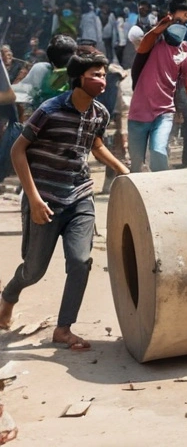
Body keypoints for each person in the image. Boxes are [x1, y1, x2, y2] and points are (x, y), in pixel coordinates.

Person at [0, 51, 129, 351]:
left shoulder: (100, 113)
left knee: (81, 261)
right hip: (43, 199)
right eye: (95, 75)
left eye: (103, 74)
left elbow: (94, 144)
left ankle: (64, 328)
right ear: (78, 79)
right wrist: (32, 199)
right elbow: (18, 151)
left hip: (80, 197)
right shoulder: (49, 111)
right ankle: (8, 295)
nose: (102, 80)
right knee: (34, 270)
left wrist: (123, 169)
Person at [128, 0, 187, 172]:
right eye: (177, 21)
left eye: (185, 21)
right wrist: (158, 29)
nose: (181, 25)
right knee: (136, 163)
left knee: (158, 151)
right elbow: (144, 44)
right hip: (139, 111)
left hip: (164, 111)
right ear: (168, 19)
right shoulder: (153, 42)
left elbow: (185, 82)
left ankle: (161, 190)